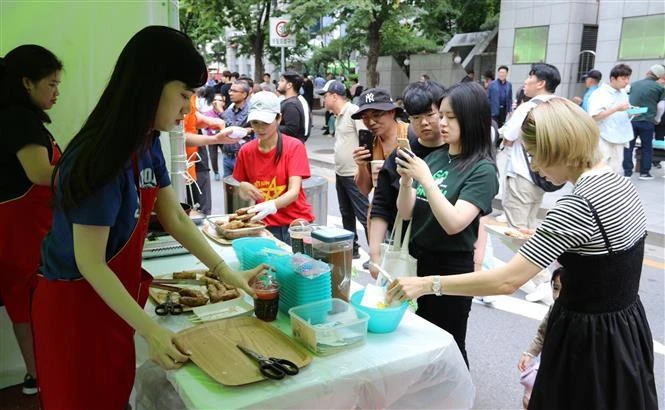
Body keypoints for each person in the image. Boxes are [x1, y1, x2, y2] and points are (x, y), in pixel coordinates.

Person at [32, 26, 268, 410]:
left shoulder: (147, 143)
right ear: (150, 86)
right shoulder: (99, 158)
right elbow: (89, 262)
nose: (188, 108)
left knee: (112, 394)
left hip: (111, 299)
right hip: (73, 308)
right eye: (183, 94)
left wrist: (226, 273)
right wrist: (151, 330)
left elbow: (174, 215)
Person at [388, 97, 658, 409]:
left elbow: (506, 282)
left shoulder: (577, 205)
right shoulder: (617, 183)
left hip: (587, 342)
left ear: (558, 148)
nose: (536, 166)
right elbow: (603, 263)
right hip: (625, 330)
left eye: (534, 155)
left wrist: (427, 284)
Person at [392, 82, 499, 366]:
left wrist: (425, 178)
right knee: (416, 338)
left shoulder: (482, 169)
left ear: (471, 119)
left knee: (448, 344)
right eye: (442, 115)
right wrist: (405, 181)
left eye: (450, 117)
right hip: (418, 261)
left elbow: (455, 223)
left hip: (450, 269)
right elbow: (405, 212)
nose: (441, 123)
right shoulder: (438, 157)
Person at [0, 44, 63, 395]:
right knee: (29, 300)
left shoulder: (21, 117)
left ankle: (36, 374)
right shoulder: (18, 119)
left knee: (23, 301)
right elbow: (40, 173)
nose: (56, 92)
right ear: (26, 82)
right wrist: (89, 175)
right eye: (51, 84)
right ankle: (43, 375)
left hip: (26, 226)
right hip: (20, 229)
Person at [367, 80, 446, 279]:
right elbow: (381, 206)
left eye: (430, 114)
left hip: (446, 261)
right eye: (416, 117)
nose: (424, 122)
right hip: (405, 254)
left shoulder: (457, 154)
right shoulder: (400, 155)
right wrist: (375, 255)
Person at [499, 63, 561, 304]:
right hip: (543, 177)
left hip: (523, 175)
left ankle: (544, 279)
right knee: (529, 227)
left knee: (516, 231)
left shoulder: (529, 107)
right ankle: (540, 277)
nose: (526, 81)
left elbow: (509, 135)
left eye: (530, 76)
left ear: (541, 82)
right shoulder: (558, 106)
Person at [233, 91, 314, 243]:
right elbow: (244, 194)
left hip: (294, 225)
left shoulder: (294, 147)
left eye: (265, 123)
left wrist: (272, 205)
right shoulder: (246, 151)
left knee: (298, 266)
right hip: (263, 225)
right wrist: (243, 187)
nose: (260, 128)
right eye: (255, 122)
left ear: (279, 118)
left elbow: (294, 192)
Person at [318, 79, 369, 259]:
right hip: (341, 173)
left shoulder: (353, 112)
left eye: (325, 96)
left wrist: (362, 168)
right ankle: (352, 248)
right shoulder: (338, 116)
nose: (323, 100)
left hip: (354, 173)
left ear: (334, 96)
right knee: (346, 213)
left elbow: (365, 139)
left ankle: (376, 254)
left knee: (364, 215)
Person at [518, 267, 563, 409]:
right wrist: (530, 353)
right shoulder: (554, 308)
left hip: (566, 371)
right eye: (555, 288)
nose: (557, 295)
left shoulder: (581, 317)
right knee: (528, 399)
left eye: (563, 290)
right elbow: (542, 334)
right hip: (547, 365)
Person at [351, 88, 409, 196]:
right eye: (365, 117)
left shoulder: (410, 135)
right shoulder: (370, 144)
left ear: (392, 112)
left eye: (376, 115)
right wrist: (362, 166)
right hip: (382, 207)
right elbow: (364, 190)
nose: (371, 122)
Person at [588, 63, 633, 175]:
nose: (626, 81)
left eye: (628, 78)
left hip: (620, 136)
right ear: (613, 78)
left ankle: (611, 191)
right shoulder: (600, 93)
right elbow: (594, 116)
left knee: (616, 169)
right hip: (604, 136)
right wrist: (616, 109)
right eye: (623, 78)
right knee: (600, 169)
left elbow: (624, 110)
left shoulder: (623, 93)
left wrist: (631, 111)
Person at [623, 64, 665, 180]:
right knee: (647, 147)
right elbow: (661, 106)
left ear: (648, 72)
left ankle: (627, 172)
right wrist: (657, 119)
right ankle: (644, 173)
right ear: (659, 76)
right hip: (648, 121)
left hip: (632, 120)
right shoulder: (660, 88)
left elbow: (626, 100)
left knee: (628, 146)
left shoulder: (634, 85)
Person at [277, 71, 310, 142]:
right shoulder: (293, 101)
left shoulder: (291, 105)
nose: (278, 83)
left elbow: (291, 129)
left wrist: (270, 126)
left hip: (290, 148)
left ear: (289, 85)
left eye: (282, 81)